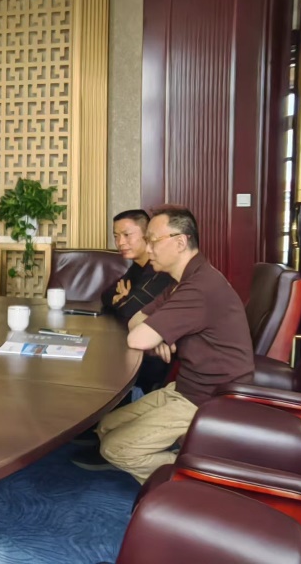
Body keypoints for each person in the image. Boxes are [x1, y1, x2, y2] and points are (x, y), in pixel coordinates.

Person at [73, 205, 253, 483]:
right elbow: (136, 320)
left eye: (153, 241)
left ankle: (209, 476)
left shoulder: (199, 286)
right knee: (106, 425)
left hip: (208, 399)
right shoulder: (181, 282)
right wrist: (157, 336)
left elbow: (137, 337)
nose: (148, 248)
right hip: (184, 388)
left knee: (114, 448)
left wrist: (156, 335)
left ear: (180, 242)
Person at [100, 209, 174, 393]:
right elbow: (106, 295)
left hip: (156, 362)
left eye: (127, 235)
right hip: (135, 345)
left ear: (147, 235)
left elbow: (129, 309)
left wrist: (124, 301)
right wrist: (122, 300)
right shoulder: (137, 268)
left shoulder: (160, 270)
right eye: (116, 236)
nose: (120, 242)